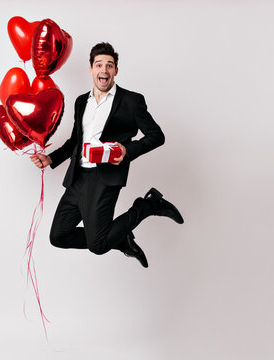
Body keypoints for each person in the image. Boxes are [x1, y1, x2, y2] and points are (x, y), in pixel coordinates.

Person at [30, 42, 183, 268]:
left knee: (98, 245)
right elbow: (75, 140)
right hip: (78, 177)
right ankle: (121, 239)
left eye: (109, 65)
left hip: (105, 177)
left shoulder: (131, 101)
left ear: (116, 71)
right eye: (99, 65)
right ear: (91, 69)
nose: (104, 70)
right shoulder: (81, 101)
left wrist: (127, 151)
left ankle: (148, 205)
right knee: (58, 236)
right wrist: (51, 158)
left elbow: (156, 135)